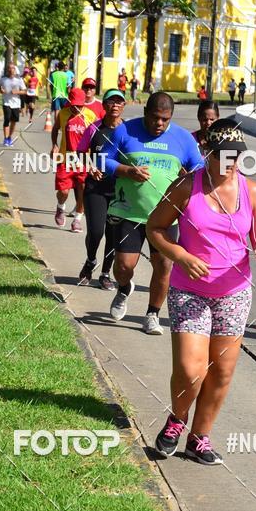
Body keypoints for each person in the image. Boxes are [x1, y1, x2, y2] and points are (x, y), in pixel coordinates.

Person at [147, 119, 256, 465]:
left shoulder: (254, 192)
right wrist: (181, 256)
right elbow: (155, 229)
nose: (231, 163)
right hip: (190, 290)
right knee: (192, 368)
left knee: (221, 371)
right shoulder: (186, 187)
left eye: (236, 156)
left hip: (234, 293)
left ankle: (199, 438)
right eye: (223, 156)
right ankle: (177, 419)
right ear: (207, 153)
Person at [101, 91, 204, 335]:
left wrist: (187, 180)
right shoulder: (125, 131)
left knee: (163, 266)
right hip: (129, 213)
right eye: (155, 117)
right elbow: (102, 160)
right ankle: (124, 288)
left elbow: (199, 168)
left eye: (165, 119)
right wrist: (126, 170)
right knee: (123, 266)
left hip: (166, 217)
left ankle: (152, 314)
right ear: (146, 112)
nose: (159, 123)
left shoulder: (182, 138)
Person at [76, 89, 126, 289]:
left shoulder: (128, 131)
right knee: (96, 232)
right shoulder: (94, 128)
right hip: (95, 187)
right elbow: (80, 153)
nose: (115, 105)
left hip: (119, 191)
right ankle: (90, 261)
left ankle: (105, 273)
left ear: (124, 106)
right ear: (103, 105)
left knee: (113, 234)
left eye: (119, 102)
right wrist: (90, 167)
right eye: (111, 102)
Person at [51, 88, 96, 232]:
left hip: (84, 160)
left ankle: (77, 219)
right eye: (74, 104)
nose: (76, 108)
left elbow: (95, 138)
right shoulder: (63, 114)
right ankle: (60, 207)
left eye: (79, 105)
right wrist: (55, 145)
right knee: (63, 191)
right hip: (65, 158)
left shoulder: (90, 116)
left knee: (82, 190)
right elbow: (55, 129)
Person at [0, 63, 26, 146]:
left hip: (16, 103)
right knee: (7, 119)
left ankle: (9, 137)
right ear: (7, 70)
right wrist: (0, 90)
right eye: (9, 68)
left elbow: (24, 91)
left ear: (15, 70)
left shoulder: (19, 79)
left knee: (14, 121)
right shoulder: (3, 79)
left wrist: (17, 92)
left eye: (13, 68)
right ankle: (5, 139)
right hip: (6, 102)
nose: (11, 70)